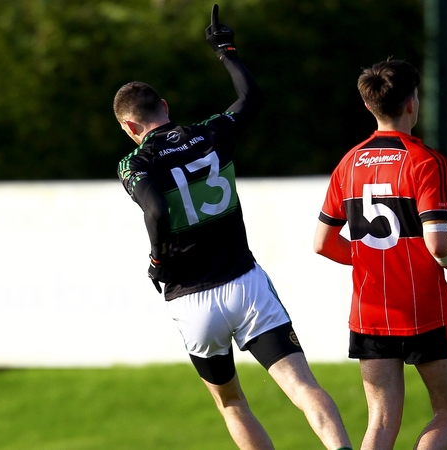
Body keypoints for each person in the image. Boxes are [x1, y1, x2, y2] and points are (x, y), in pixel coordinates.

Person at [115, 5, 352, 450]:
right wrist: (226, 51)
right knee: (302, 386)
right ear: (164, 108)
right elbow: (251, 98)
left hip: (191, 300)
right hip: (246, 284)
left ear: (130, 126)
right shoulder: (210, 133)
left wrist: (157, 259)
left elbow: (157, 213)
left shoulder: (135, 161)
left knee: (232, 404)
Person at [314, 59, 447, 450]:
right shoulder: (426, 161)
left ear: (368, 107)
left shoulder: (348, 163)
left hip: (370, 311)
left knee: (380, 421)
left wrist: (367, 259)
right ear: (413, 103)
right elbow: (439, 243)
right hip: (423, 308)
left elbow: (323, 243)